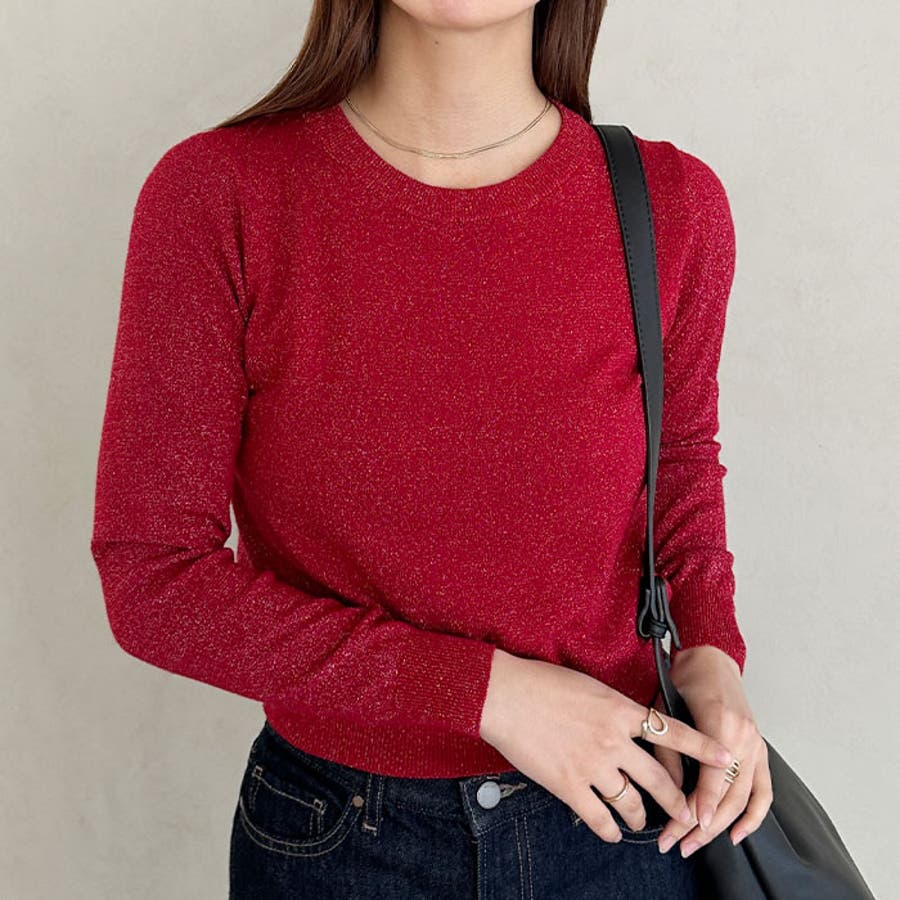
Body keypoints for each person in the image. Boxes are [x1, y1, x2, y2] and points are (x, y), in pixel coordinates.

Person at [90, 1, 773, 897]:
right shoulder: (221, 195)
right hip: (340, 841)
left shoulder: (671, 205)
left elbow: (676, 463)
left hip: (627, 817)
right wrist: (489, 694)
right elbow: (153, 576)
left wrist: (709, 654)